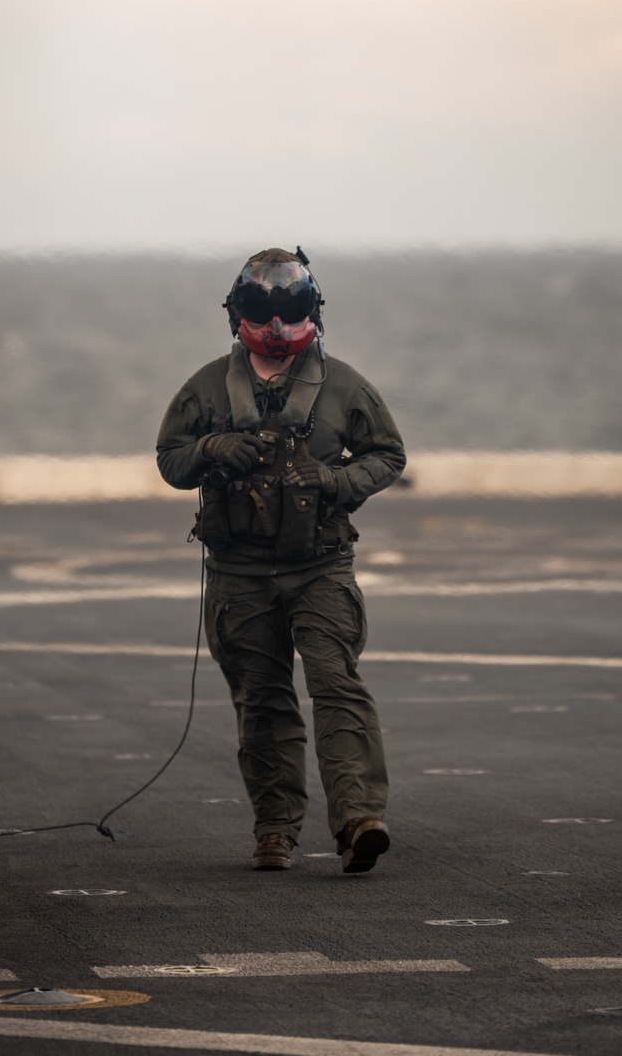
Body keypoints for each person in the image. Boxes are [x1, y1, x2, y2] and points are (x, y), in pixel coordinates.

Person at [155, 249, 406, 874]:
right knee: (260, 699)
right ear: (240, 312)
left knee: (336, 684)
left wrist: (334, 482)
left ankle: (359, 820)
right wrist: (213, 444)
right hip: (239, 573)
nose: (274, 322)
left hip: (320, 565)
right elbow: (171, 459)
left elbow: (387, 455)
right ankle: (276, 829)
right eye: (261, 309)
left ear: (309, 310)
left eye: (287, 308)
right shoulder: (208, 388)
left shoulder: (344, 385)